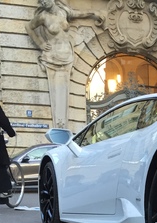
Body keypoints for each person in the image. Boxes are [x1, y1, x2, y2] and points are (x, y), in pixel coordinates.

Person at [26, 0, 101, 128]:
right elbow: (29, 27)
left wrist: (93, 12)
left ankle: (61, 126)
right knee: (58, 92)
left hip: (68, 55)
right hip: (54, 56)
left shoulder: (63, 12)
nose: (44, 3)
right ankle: (59, 126)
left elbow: (79, 14)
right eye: (42, 1)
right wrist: (41, 44)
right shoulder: (44, 17)